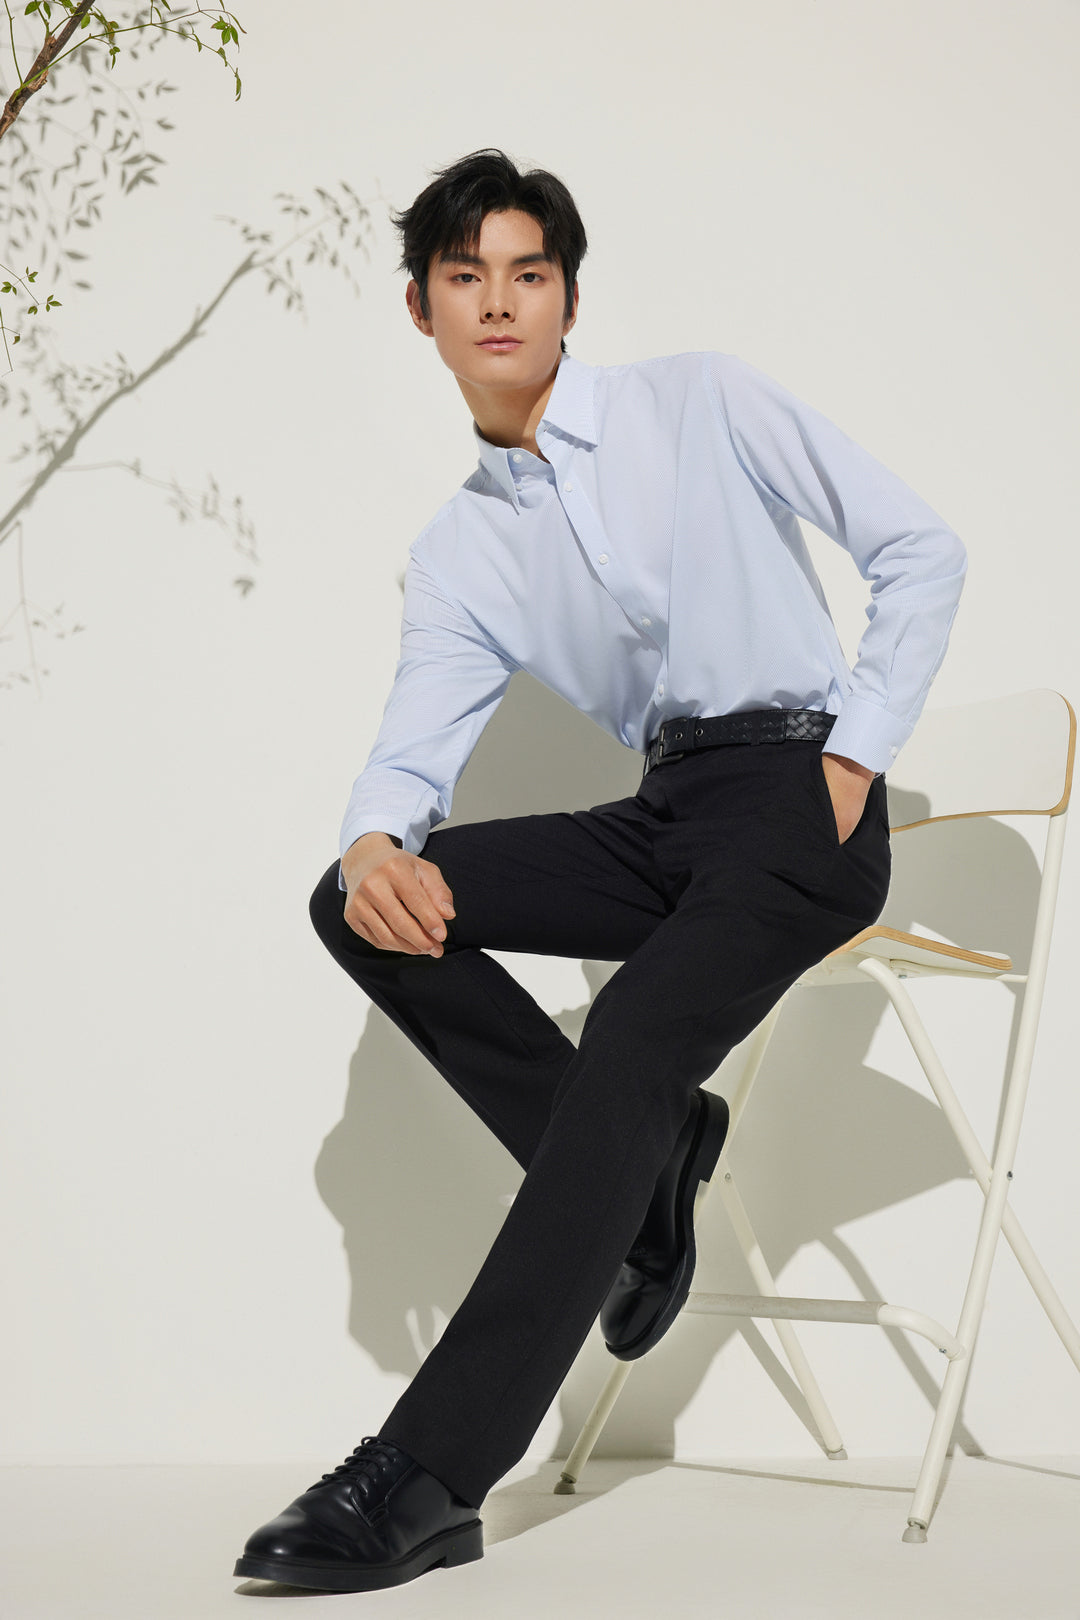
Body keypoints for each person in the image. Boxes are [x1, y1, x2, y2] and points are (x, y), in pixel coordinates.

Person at [233, 147, 966, 1594]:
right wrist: (375, 840)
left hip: (797, 805)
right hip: (664, 814)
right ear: (422, 310)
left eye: (531, 272)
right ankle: (653, 1166)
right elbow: (411, 752)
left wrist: (850, 759)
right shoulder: (460, 552)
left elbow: (921, 552)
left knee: (631, 1028)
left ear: (570, 297)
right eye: (467, 277)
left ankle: (429, 1474)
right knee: (356, 901)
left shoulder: (701, 402)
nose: (501, 302)